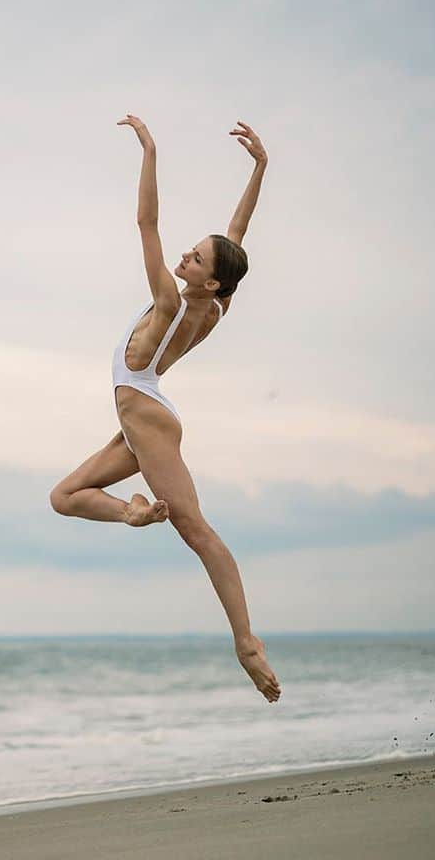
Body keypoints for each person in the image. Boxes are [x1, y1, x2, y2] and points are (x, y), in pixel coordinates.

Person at [49, 115, 281, 704]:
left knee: (195, 528)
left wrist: (149, 150)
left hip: (147, 416)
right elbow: (237, 236)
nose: (186, 256)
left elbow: (145, 221)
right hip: (138, 415)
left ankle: (246, 643)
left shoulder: (169, 301)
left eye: (197, 259)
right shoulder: (215, 305)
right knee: (65, 497)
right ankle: (131, 513)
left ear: (208, 283)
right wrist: (259, 168)